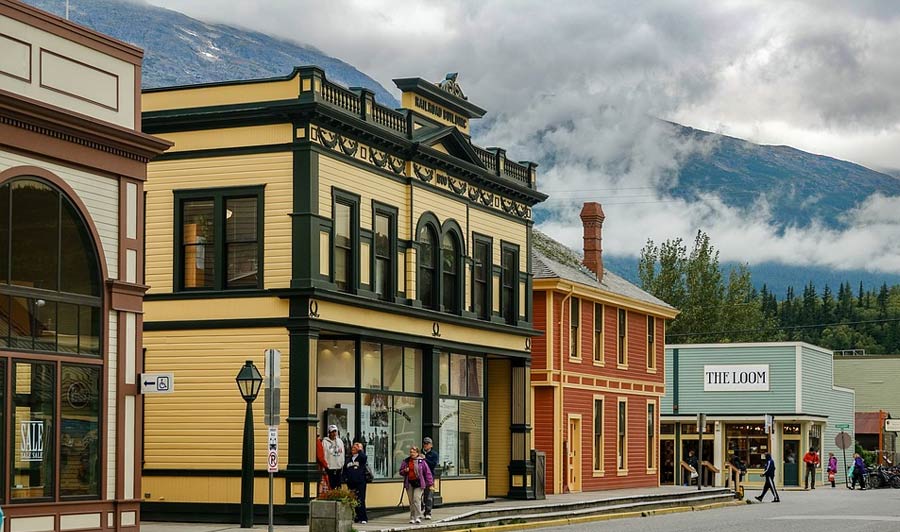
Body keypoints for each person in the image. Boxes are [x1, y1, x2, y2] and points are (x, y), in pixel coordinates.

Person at [399, 446, 433, 524]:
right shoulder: (406, 461)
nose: (412, 454)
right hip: (410, 483)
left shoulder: (421, 461)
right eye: (411, 452)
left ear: (417, 453)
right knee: (411, 501)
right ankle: (412, 516)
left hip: (419, 483)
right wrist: (405, 471)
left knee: (416, 499)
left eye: (414, 452)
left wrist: (430, 483)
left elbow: (427, 473)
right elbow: (401, 472)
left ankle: (418, 516)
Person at [344, 442, 369, 524]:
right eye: (353, 448)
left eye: (356, 448)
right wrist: (345, 478)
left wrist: (360, 450)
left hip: (360, 482)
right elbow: (345, 470)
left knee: (361, 499)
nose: (354, 449)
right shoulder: (348, 459)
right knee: (353, 500)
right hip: (351, 482)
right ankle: (355, 517)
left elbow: (364, 457)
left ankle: (363, 518)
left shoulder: (361, 458)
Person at [322, 424, 345, 490]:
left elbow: (342, 453)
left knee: (338, 487)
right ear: (329, 432)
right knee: (330, 486)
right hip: (330, 468)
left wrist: (342, 464)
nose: (334, 433)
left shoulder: (340, 441)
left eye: (335, 431)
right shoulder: (325, 442)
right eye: (332, 432)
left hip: (338, 467)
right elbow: (324, 454)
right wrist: (325, 466)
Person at [421, 437, 438, 520]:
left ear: (431, 445)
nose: (425, 445)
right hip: (420, 477)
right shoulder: (419, 452)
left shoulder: (434, 454)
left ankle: (428, 512)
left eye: (427, 444)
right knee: (419, 495)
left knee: (428, 495)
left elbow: (433, 465)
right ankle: (420, 511)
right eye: (424, 443)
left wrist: (425, 459)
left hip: (429, 477)